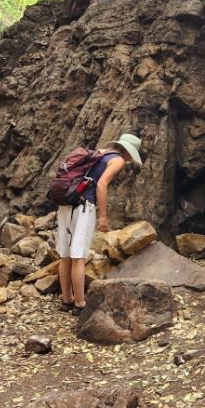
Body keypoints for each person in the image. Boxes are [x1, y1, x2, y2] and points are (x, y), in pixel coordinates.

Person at [56, 133, 142, 314]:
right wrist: (103, 216)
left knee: (65, 256)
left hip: (65, 203)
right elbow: (101, 185)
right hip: (83, 206)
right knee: (78, 256)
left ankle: (66, 300)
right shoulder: (117, 160)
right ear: (128, 152)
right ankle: (80, 304)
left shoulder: (100, 152)